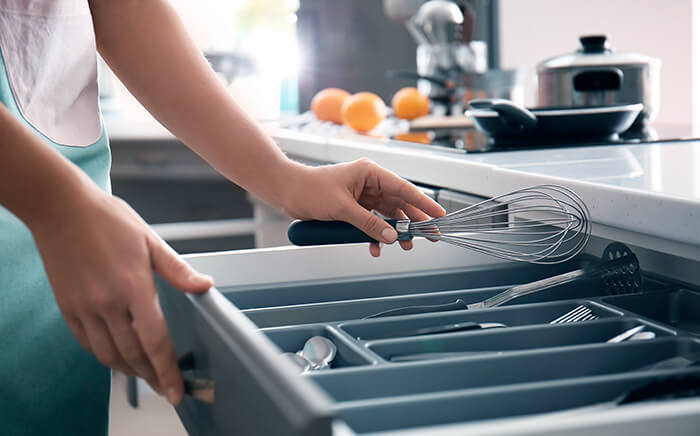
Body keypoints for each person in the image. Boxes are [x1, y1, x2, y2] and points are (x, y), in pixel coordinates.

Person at [0, 1, 445, 434]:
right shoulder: (64, 210)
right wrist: (58, 205)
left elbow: (122, 7)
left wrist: (286, 180)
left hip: (69, 236)